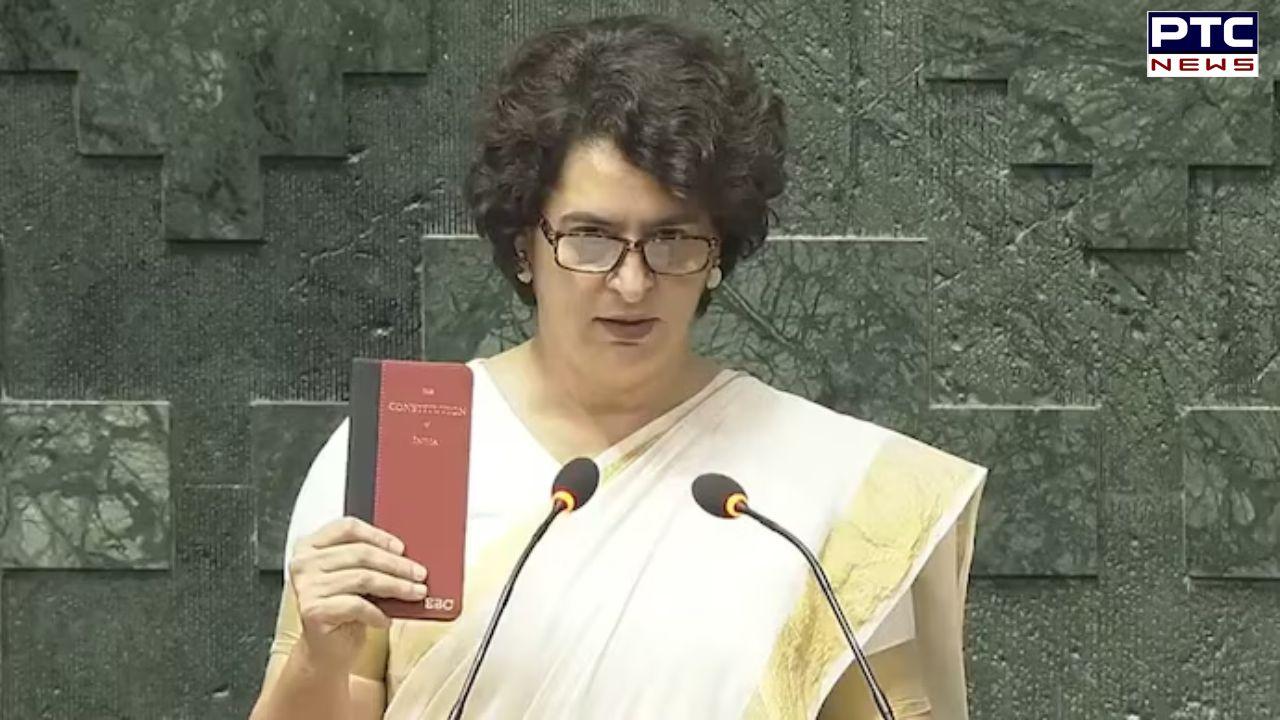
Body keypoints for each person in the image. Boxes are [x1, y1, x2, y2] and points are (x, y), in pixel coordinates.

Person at [250, 14, 986, 720]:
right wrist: (318, 658)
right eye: (591, 237)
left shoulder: (835, 488)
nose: (632, 283)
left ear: (719, 252)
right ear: (522, 245)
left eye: (671, 240)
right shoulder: (413, 446)